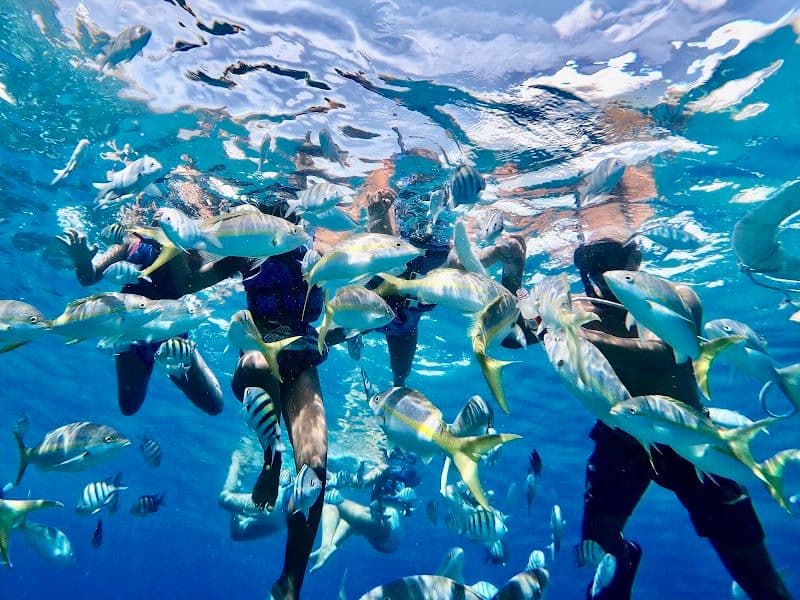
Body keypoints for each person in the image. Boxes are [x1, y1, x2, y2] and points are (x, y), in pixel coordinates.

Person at [569, 229, 791, 600]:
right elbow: (514, 335)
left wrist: (584, 338)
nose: (598, 273)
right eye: (588, 264)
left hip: (689, 431)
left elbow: (663, 353)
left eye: (606, 260)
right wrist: (512, 271)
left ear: (635, 259)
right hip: (622, 435)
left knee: (751, 562)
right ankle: (624, 562)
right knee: (598, 543)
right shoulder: (578, 311)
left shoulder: (677, 296)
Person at [194, 200, 328, 600]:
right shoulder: (248, 246)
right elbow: (188, 282)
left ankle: (290, 584)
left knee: (316, 467)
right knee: (255, 363)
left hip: (301, 361)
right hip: (256, 357)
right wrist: (185, 239)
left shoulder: (318, 251)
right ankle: (272, 458)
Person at [57, 227, 223, 416]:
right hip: (131, 334)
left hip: (172, 335)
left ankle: (174, 367)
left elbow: (192, 284)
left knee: (214, 404)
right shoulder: (133, 242)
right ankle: (171, 367)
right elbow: (89, 277)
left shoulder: (194, 251)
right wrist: (82, 262)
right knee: (129, 406)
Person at [218, 446, 292, 542]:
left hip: (280, 508)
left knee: (224, 499)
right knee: (237, 533)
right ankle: (238, 477)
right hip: (283, 518)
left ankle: (238, 464)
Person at [309, 498, 403, 573]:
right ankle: (329, 546)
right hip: (389, 534)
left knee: (330, 499)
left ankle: (326, 547)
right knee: (352, 517)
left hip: (387, 528)